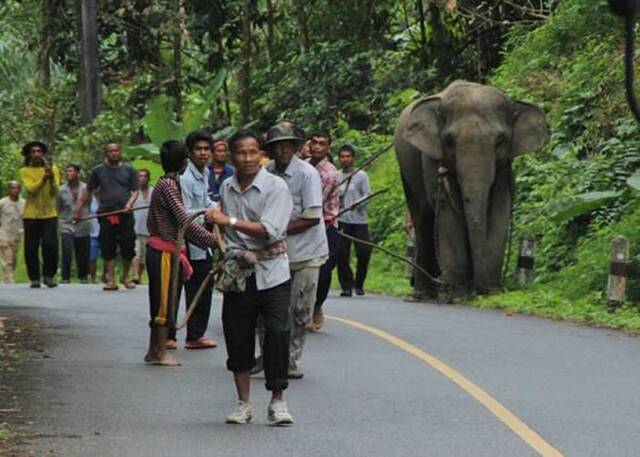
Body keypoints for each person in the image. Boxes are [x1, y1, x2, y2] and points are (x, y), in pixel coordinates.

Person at [208, 129, 294, 426]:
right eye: (241, 153)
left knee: (277, 332)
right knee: (237, 333)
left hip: (274, 272)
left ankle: (278, 400)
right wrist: (220, 226)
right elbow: (224, 230)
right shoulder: (227, 188)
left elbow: (271, 229)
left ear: (261, 155)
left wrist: (227, 220)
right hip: (240, 273)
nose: (247, 158)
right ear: (232, 157)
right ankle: (243, 402)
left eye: (252, 152)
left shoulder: (276, 187)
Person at [260, 122, 328, 379]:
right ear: (272, 149)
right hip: (275, 252)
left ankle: (291, 360)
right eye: (279, 146)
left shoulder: (307, 174)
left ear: (296, 147)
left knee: (300, 310)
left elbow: (311, 217)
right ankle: (269, 356)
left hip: (307, 251)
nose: (284, 150)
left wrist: (277, 228)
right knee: (272, 309)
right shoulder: (266, 173)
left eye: (288, 145)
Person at [144, 140, 219, 367]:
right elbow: (184, 220)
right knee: (163, 304)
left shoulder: (166, 183)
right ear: (185, 162)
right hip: (164, 250)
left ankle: (153, 350)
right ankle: (159, 352)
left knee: (162, 300)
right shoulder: (169, 185)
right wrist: (213, 241)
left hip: (165, 250)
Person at [167, 130, 218, 350]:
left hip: (200, 242)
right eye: (199, 149)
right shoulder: (185, 177)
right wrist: (209, 219)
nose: (203, 153)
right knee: (176, 288)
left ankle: (195, 335)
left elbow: (206, 200)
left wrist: (217, 208)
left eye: (207, 149)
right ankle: (169, 335)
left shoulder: (203, 172)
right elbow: (185, 213)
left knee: (201, 286)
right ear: (189, 152)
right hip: (186, 242)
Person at [75, 141, 139, 291]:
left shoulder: (129, 170)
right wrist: (78, 210)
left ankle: (125, 276)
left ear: (120, 152)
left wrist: (129, 204)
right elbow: (88, 190)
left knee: (128, 246)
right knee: (108, 246)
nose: (114, 153)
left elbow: (135, 190)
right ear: (106, 154)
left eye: (116, 150)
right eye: (110, 151)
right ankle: (111, 279)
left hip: (125, 214)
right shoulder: (98, 171)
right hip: (106, 213)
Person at [307, 131, 339, 330]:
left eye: (322, 144)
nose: (318, 147)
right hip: (302, 224)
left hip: (323, 225)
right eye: (314, 143)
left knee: (324, 271)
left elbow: (314, 202)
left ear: (328, 148)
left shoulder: (329, 173)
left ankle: (317, 305)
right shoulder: (302, 165)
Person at [19, 141, 60, 288]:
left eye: (39, 151)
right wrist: (43, 178)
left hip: (49, 213)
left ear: (43, 154)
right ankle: (34, 277)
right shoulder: (25, 171)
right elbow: (31, 189)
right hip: (31, 215)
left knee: (50, 245)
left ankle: (49, 275)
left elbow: (55, 191)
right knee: (31, 247)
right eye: (33, 152)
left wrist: (51, 177)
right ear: (30, 155)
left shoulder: (53, 169)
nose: (37, 154)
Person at [336, 144, 372, 296]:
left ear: (353, 158)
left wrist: (358, 203)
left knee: (364, 252)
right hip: (342, 220)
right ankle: (346, 285)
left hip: (359, 221)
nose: (345, 159)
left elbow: (368, 194)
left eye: (348, 156)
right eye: (343, 156)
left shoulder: (361, 175)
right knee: (342, 254)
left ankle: (359, 283)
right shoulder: (336, 176)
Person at [58, 164, 91, 283]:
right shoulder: (61, 190)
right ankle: (65, 277)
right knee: (66, 251)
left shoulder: (86, 188)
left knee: (82, 252)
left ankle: (83, 276)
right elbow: (58, 207)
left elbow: (89, 204)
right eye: (67, 172)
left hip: (83, 223)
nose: (68, 174)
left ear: (77, 173)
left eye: (71, 171)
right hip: (66, 223)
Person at [0, 181, 25, 283]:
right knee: (7, 260)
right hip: (4, 234)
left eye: (17, 188)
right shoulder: (2, 202)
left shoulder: (24, 203)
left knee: (13, 259)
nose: (15, 190)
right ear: (9, 189)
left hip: (17, 234)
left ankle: (6, 280)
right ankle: (10, 281)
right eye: (13, 188)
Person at [132, 169, 153, 284]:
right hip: (135, 228)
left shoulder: (153, 192)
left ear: (148, 178)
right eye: (140, 176)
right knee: (136, 253)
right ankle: (135, 275)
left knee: (145, 257)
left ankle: (139, 275)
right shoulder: (134, 193)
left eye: (145, 176)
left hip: (149, 230)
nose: (142, 178)